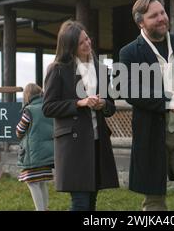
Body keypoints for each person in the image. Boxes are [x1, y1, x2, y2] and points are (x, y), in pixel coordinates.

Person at [119, 0, 174, 211]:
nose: (161, 18)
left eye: (163, 12)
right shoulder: (129, 53)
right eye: (153, 16)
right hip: (151, 137)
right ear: (141, 22)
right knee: (153, 202)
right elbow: (130, 91)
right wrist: (170, 100)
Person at [42, 20, 119, 211]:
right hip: (73, 146)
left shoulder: (101, 69)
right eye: (81, 42)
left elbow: (111, 106)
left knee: (91, 202)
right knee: (81, 203)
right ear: (70, 47)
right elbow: (48, 107)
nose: (87, 44)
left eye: (87, 39)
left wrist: (103, 104)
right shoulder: (57, 69)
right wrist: (79, 103)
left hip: (97, 142)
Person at [16, 83, 54, 211]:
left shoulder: (29, 110)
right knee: (42, 181)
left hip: (33, 154)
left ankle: (40, 209)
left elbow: (19, 130)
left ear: (27, 95)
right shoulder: (47, 107)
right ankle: (45, 208)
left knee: (32, 182)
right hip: (47, 153)